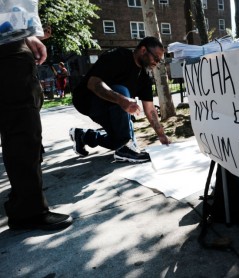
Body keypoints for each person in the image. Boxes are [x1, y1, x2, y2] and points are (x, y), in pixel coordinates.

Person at [0, 28, 73, 229]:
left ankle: (22, 202)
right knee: (22, 131)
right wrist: (20, 35)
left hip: (10, 46)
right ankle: (28, 210)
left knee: (17, 130)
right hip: (8, 51)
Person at [70, 36, 170, 163]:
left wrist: (161, 135)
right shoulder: (118, 56)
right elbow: (93, 83)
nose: (156, 62)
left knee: (118, 140)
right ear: (143, 50)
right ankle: (125, 148)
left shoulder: (144, 77)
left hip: (113, 107)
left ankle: (84, 136)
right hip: (87, 100)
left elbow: (150, 109)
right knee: (122, 91)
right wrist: (122, 100)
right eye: (155, 58)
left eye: (159, 61)